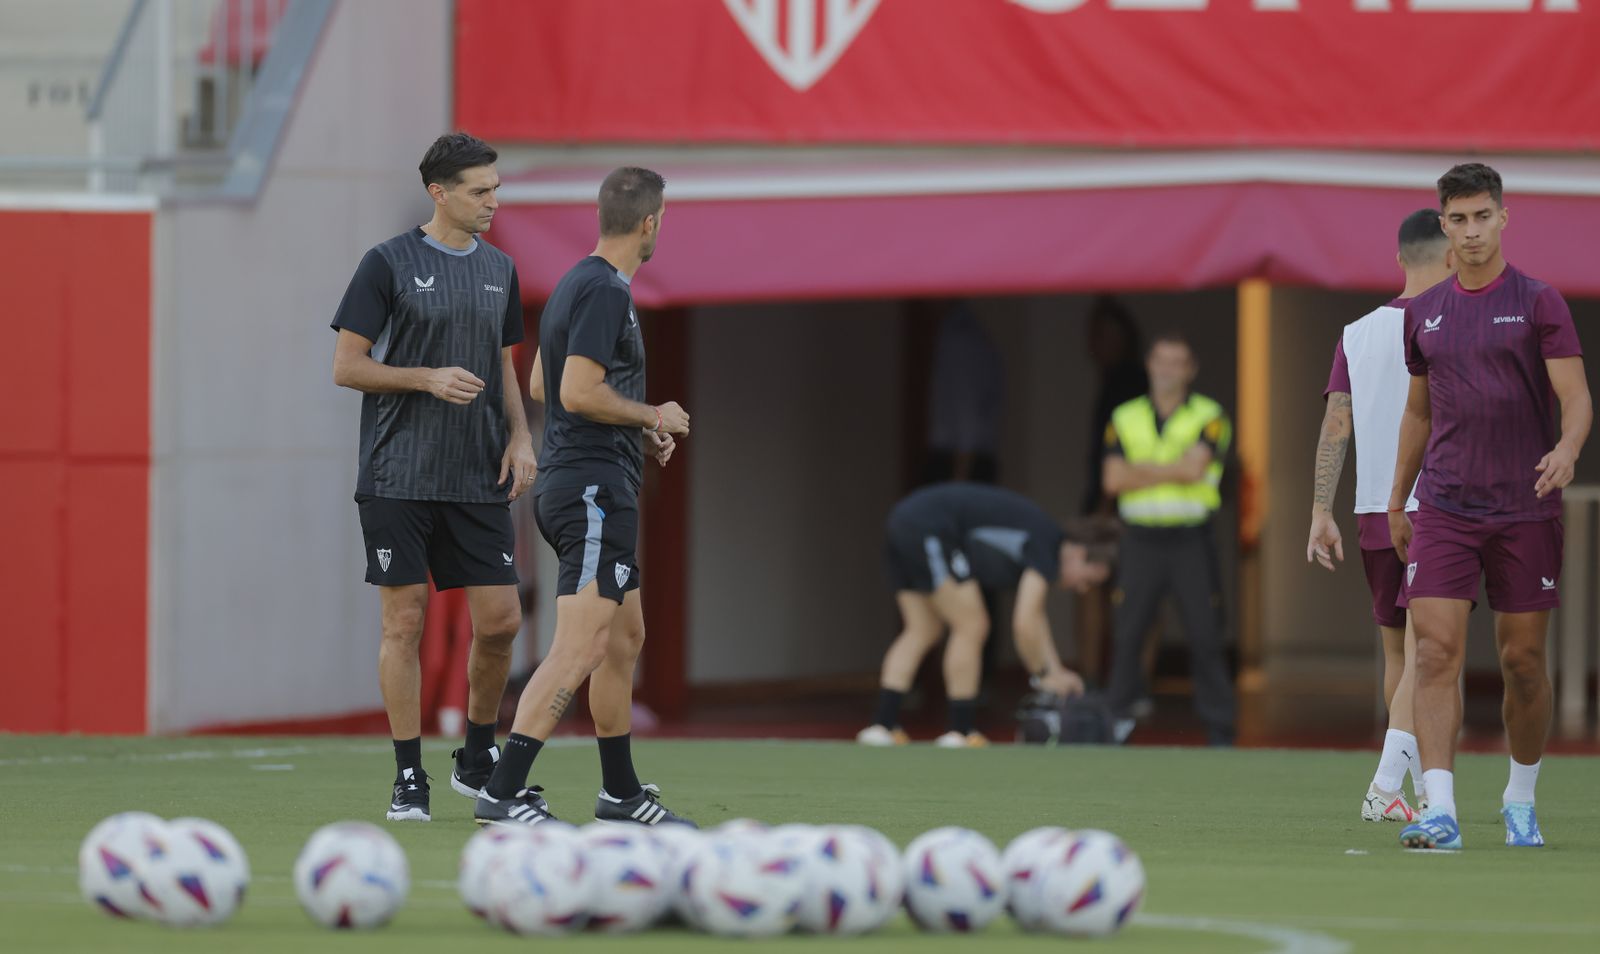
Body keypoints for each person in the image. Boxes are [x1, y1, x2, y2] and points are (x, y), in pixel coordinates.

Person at [473, 167, 695, 828]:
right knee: (582, 645)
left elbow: (543, 381)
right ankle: (502, 790)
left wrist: (632, 425)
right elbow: (573, 392)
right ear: (650, 223)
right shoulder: (604, 292)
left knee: (625, 637)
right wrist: (653, 415)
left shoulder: (576, 279)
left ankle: (620, 795)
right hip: (593, 491)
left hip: (592, 480)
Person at [330, 133, 535, 822]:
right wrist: (424, 377)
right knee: (404, 622)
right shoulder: (386, 262)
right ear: (439, 192)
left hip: (478, 475)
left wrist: (522, 437)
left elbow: (504, 363)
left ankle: (475, 760)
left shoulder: (501, 269)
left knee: (502, 622)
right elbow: (348, 366)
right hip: (398, 475)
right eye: (481, 191)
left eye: (496, 189)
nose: (493, 202)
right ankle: (408, 774)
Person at [1390, 163, 1591, 851]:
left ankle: (1520, 798)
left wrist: (1567, 449)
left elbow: (1577, 397)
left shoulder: (1539, 302)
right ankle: (1439, 811)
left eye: (1483, 216)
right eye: (1459, 219)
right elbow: (1417, 414)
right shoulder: (1423, 313)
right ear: (1443, 225)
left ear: (1504, 218)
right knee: (1438, 651)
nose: (1472, 231)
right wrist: (1396, 498)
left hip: (1524, 508)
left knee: (1523, 665)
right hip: (1444, 506)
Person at [1307, 209, 1455, 823]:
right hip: (1436, 508)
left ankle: (1418, 797)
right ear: (1452, 256)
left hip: (1371, 511)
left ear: (1399, 257)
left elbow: (1335, 421)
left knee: (1402, 657)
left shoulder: (1357, 331)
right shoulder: (1453, 323)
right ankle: (1387, 785)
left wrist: (1320, 509)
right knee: (1432, 658)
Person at [857, 483, 1111, 748]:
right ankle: (961, 731)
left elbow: (1035, 616)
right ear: (1079, 554)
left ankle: (881, 726)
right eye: (1088, 580)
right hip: (929, 526)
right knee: (972, 624)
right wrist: (1044, 676)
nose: (1082, 589)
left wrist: (1055, 670)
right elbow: (1025, 622)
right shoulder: (1047, 543)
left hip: (904, 520)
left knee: (922, 629)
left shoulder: (1041, 538)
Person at [1102, 334, 1236, 746]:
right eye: (1161, 361)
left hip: (1189, 538)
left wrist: (1138, 471)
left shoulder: (1211, 415)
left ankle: (1220, 733)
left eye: (1177, 362)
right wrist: (1171, 467)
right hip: (1139, 539)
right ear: (1149, 365)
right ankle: (1111, 729)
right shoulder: (1123, 415)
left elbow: (1195, 472)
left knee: (1204, 634)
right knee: (1127, 634)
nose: (1168, 370)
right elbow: (1112, 480)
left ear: (1190, 369)